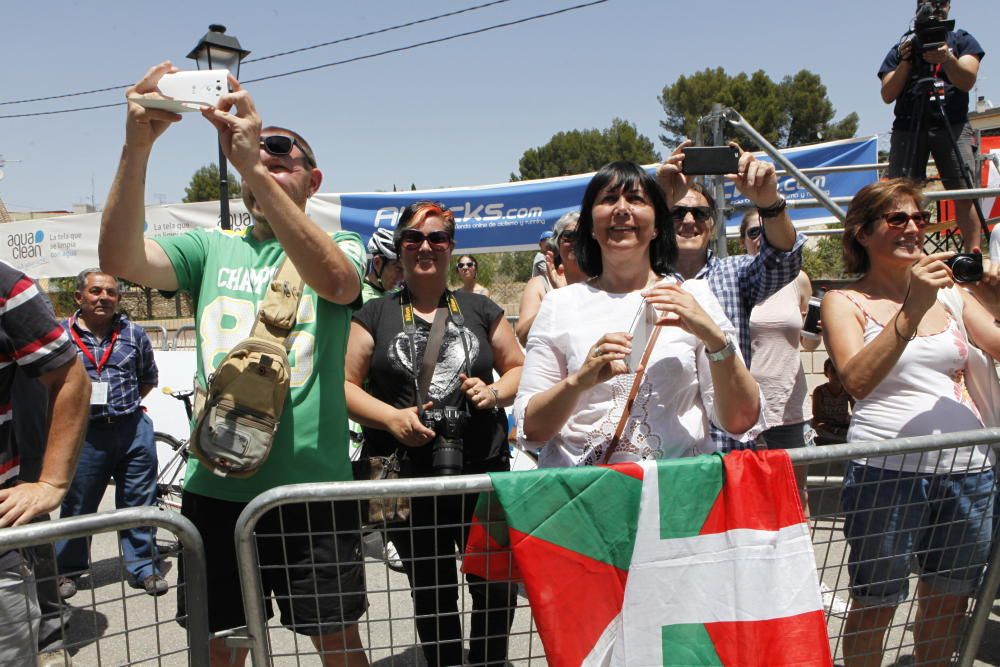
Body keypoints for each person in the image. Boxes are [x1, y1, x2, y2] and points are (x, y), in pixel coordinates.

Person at [99, 62, 369, 667]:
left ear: (312, 179)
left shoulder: (340, 245)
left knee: (337, 643)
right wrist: (137, 143)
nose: (267, 158)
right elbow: (118, 255)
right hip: (215, 490)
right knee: (221, 646)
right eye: (259, 150)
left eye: (282, 153)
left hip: (312, 493)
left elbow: (339, 283)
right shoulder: (212, 247)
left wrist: (249, 162)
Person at [822, 178, 1000, 666]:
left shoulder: (953, 298)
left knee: (947, 602)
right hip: (886, 476)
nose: (913, 228)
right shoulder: (843, 300)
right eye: (897, 218)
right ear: (861, 233)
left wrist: (996, 292)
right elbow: (857, 379)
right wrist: (910, 310)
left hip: (970, 472)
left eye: (919, 218)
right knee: (875, 602)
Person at [345, 201, 523, 666]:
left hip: (482, 468)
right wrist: (391, 418)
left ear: (451, 247)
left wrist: (495, 392)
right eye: (414, 239)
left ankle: (488, 659)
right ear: (399, 249)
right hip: (404, 476)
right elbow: (342, 386)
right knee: (430, 584)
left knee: (495, 581)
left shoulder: (481, 308)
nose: (426, 246)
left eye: (437, 238)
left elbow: (519, 367)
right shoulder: (375, 314)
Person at [514, 161, 763, 468]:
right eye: (608, 199)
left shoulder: (694, 297)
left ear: (658, 224)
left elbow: (740, 421)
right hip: (583, 501)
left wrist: (715, 339)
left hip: (674, 500)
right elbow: (532, 429)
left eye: (635, 199)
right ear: (590, 226)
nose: (621, 209)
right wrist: (579, 381)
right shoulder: (559, 304)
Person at [656, 141, 805, 451]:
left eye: (700, 213)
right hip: (665, 452)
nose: (688, 221)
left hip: (728, 447)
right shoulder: (642, 278)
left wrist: (769, 203)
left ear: (713, 223)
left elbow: (784, 260)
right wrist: (655, 201)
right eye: (677, 213)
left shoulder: (736, 273)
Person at [0, 262, 90, 666]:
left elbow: (71, 378)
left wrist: (51, 481)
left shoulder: (7, 289)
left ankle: (52, 627)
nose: (103, 299)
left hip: (20, 479)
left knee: (39, 544)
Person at [55, 268, 164, 598]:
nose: (104, 297)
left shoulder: (134, 334)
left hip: (132, 430)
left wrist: (120, 409)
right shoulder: (61, 335)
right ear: (80, 297)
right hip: (84, 435)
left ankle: (144, 567)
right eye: (95, 291)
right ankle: (68, 570)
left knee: (139, 502)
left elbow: (147, 379)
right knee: (78, 504)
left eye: (111, 293)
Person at [879, 0, 986, 251]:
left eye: (941, 3)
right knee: (900, 195)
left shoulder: (962, 40)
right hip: (908, 126)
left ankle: (973, 256)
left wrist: (947, 57)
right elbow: (887, 93)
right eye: (928, 2)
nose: (935, 8)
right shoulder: (903, 46)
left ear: (949, 6)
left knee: (964, 192)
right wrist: (906, 61)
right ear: (917, 6)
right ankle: (902, 255)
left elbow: (967, 80)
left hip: (953, 124)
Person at [739, 211, 819, 512]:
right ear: (743, 241)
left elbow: (808, 344)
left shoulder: (798, 280)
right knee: (751, 501)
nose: (762, 240)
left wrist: (813, 332)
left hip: (789, 408)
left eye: (768, 233)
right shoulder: (734, 279)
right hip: (745, 411)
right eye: (754, 233)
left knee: (795, 499)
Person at [515, 211, 587, 347]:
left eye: (582, 236)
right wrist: (557, 298)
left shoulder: (602, 281)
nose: (576, 242)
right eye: (569, 236)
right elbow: (523, 337)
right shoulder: (539, 285)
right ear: (557, 243)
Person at [811, 358, 854, 445]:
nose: (837, 375)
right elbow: (817, 419)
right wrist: (833, 429)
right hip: (826, 428)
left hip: (843, 425)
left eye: (839, 371)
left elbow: (855, 410)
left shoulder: (847, 390)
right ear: (826, 373)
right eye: (833, 371)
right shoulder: (819, 391)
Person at [362, 227, 404, 302]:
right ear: (377, 262)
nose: (402, 277)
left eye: (405, 269)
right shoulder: (363, 299)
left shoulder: (397, 290)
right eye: (398, 269)